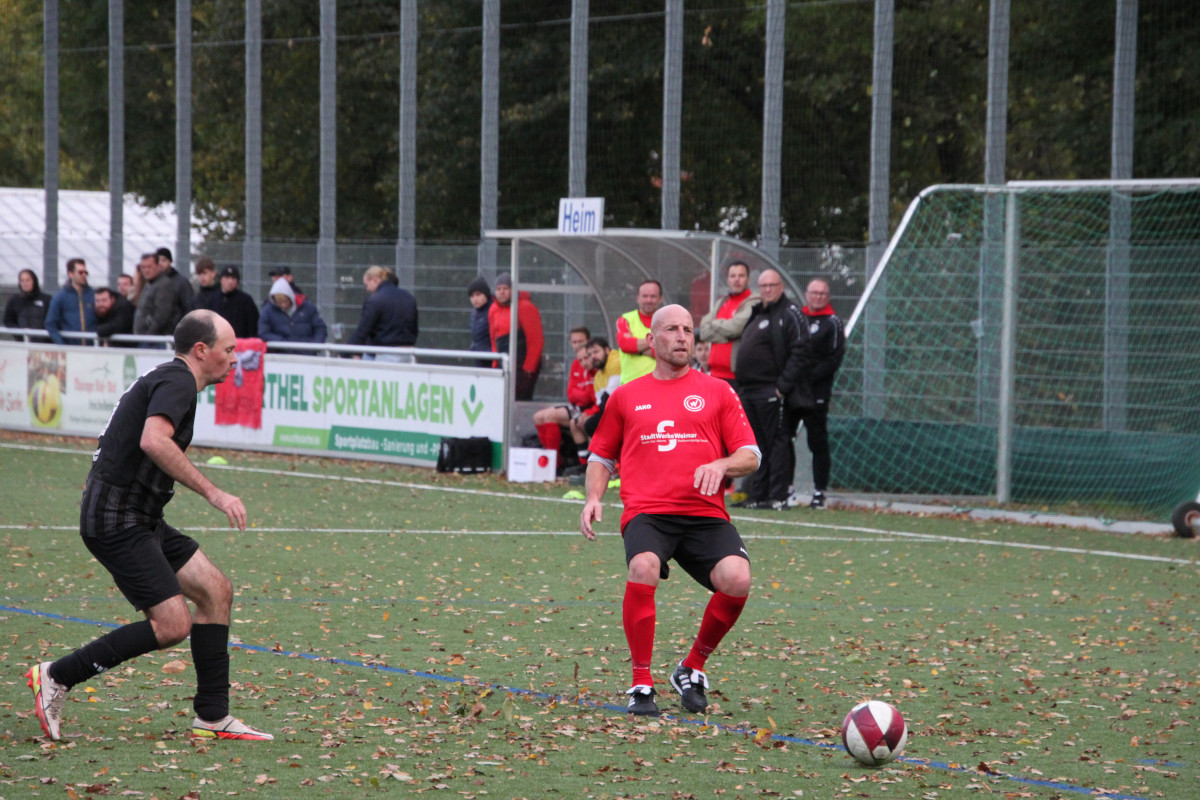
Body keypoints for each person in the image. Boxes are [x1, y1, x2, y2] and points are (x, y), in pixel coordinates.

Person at [26, 310, 273, 743]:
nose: (235, 359)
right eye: (229, 349)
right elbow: (152, 440)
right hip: (115, 519)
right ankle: (56, 675)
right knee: (172, 624)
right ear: (202, 350)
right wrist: (216, 494)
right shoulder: (178, 381)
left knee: (216, 590)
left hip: (139, 516)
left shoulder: (172, 379)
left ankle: (213, 716)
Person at [580, 304, 760, 717]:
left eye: (689, 330)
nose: (683, 337)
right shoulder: (627, 396)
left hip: (704, 513)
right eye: (673, 329)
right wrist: (594, 497)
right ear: (652, 340)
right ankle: (641, 683)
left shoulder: (717, 391)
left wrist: (721, 464)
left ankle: (691, 668)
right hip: (650, 512)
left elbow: (751, 455)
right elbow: (601, 456)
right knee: (642, 566)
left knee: (737, 578)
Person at [733, 269, 811, 511]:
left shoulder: (790, 314)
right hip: (749, 390)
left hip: (772, 392)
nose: (767, 290)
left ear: (781, 286)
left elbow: (801, 351)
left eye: (772, 285)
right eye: (763, 286)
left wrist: (782, 387)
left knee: (777, 442)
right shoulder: (758, 313)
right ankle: (758, 494)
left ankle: (777, 495)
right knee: (755, 445)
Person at [791, 278, 845, 510]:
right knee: (783, 438)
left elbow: (833, 359)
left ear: (828, 296)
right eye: (814, 293)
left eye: (823, 293)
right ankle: (785, 489)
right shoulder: (797, 318)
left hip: (817, 393)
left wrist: (808, 378)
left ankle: (819, 491)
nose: (818, 297)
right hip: (793, 390)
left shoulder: (833, 323)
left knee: (817, 441)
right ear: (806, 294)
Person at [532, 327, 593, 473]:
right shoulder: (576, 363)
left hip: (588, 408)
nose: (577, 345)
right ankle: (554, 460)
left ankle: (553, 465)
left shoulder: (594, 361)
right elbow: (571, 394)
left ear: (589, 341)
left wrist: (581, 395)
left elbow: (591, 395)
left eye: (581, 341)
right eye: (574, 342)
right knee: (538, 417)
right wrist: (582, 395)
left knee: (550, 417)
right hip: (576, 407)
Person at [699, 261, 758, 389]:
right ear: (728, 280)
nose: (736, 279)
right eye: (733, 276)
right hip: (714, 375)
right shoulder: (722, 302)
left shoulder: (754, 302)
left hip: (737, 378)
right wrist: (728, 335)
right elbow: (703, 332)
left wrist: (715, 326)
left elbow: (735, 328)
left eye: (741, 276)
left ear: (748, 279)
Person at [488, 273, 543, 400]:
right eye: (498, 289)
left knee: (519, 398)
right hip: (505, 361)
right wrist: (495, 362)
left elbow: (536, 340)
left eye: (505, 288)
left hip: (522, 363)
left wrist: (528, 368)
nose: (502, 292)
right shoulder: (493, 309)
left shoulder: (525, 307)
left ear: (513, 290)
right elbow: (493, 338)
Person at [347, 265, 419, 361]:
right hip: (407, 354)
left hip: (382, 354)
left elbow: (363, 330)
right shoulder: (409, 297)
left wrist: (344, 353)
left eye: (367, 284)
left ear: (374, 280)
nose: (367, 289)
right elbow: (414, 328)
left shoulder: (375, 299)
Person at [615, 279, 663, 385]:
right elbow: (625, 344)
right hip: (629, 386)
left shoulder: (667, 320)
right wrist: (657, 343)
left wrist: (638, 350)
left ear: (660, 299)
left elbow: (668, 352)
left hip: (659, 385)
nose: (648, 300)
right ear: (638, 298)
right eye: (645, 296)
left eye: (653, 296)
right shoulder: (625, 319)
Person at [258, 276, 328, 347]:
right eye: (279, 302)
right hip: (281, 353)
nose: (283, 305)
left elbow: (320, 328)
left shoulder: (308, 307)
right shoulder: (268, 311)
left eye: (285, 301)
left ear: (290, 297)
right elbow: (263, 332)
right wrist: (282, 342)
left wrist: (315, 344)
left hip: (307, 353)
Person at [134, 252, 186, 343]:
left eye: (149, 267)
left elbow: (161, 316)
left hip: (154, 341)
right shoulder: (148, 285)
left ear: (158, 266)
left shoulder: (164, 285)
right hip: (144, 338)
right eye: (143, 267)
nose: (146, 270)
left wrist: (148, 338)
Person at [44, 258, 97, 345]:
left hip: (93, 350)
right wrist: (62, 344)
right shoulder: (60, 297)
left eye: (85, 272)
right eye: (80, 272)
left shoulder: (93, 295)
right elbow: (50, 323)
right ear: (70, 274)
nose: (84, 275)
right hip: (71, 350)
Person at [579, 335, 622, 440]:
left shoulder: (616, 361)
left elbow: (610, 398)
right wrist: (589, 413)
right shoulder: (598, 376)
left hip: (628, 410)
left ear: (607, 350)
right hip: (613, 411)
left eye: (596, 352)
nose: (593, 357)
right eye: (590, 354)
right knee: (589, 423)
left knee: (592, 424)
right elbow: (600, 404)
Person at [209, 266, 260, 339]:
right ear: (221, 279)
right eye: (227, 277)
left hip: (241, 345)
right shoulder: (212, 300)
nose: (230, 281)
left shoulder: (246, 300)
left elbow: (253, 326)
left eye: (233, 278)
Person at [4, 268, 52, 340]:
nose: (25, 283)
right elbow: (8, 320)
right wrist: (19, 334)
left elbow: (52, 321)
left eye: (28, 280)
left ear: (34, 281)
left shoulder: (46, 300)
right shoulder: (15, 300)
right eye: (22, 280)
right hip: (23, 344)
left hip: (43, 344)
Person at [158, 247, 195, 322]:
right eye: (158, 260)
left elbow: (189, 306)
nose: (160, 263)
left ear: (170, 261)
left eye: (163, 260)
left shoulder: (182, 282)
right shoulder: (154, 283)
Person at [466, 276, 493, 354]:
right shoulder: (474, 312)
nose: (475, 299)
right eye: (472, 296)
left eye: (478, 294)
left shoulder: (494, 310)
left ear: (486, 294)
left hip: (490, 358)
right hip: (478, 355)